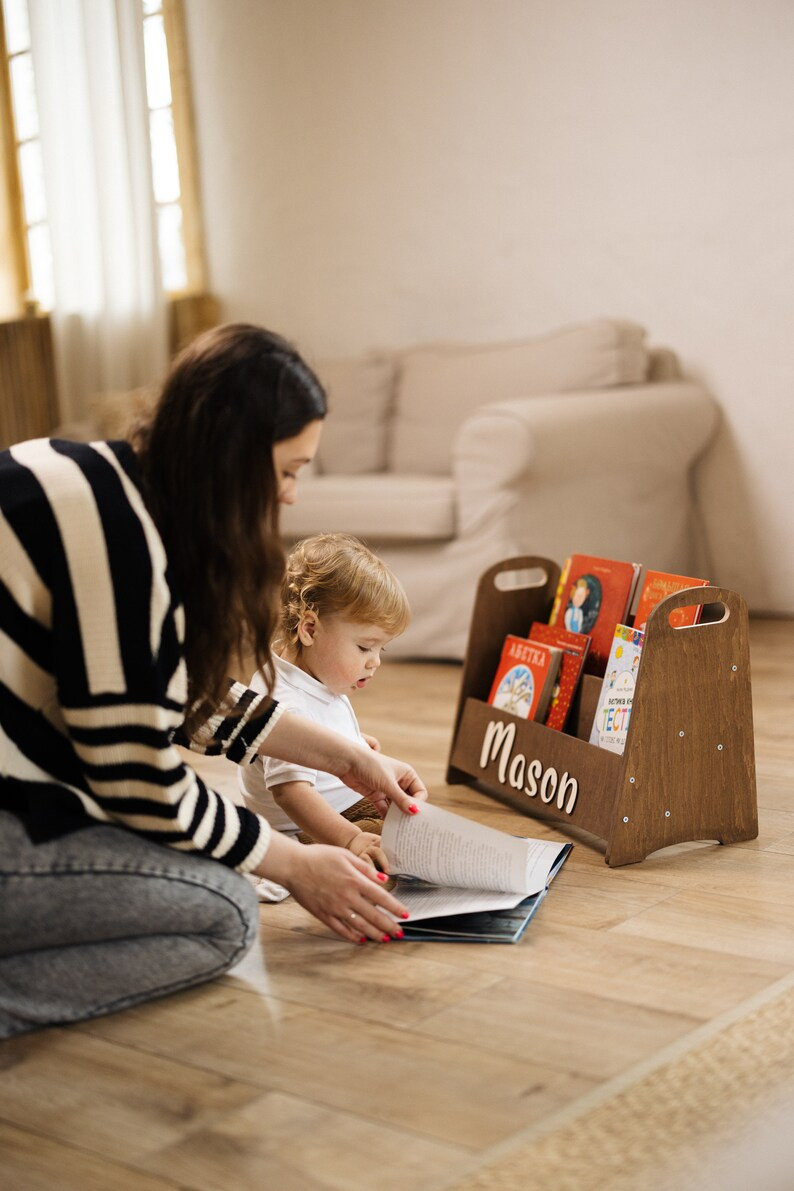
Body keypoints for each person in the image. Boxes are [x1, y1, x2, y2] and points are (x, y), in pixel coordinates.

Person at [0, 324, 426, 1040]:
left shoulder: (94, 482)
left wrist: (349, 757)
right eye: (288, 470)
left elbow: (167, 699)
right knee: (225, 910)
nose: (289, 497)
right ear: (233, 459)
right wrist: (291, 862)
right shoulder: (118, 537)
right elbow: (138, 775)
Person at [240, 533, 410, 875]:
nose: (375, 662)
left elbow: (321, 734)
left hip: (342, 803)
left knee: (409, 818)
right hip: (303, 827)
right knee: (390, 849)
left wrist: (356, 744)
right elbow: (291, 793)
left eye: (381, 650)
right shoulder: (285, 702)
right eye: (365, 647)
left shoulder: (313, 676)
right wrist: (350, 840)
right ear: (309, 629)